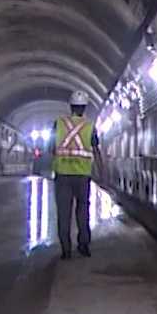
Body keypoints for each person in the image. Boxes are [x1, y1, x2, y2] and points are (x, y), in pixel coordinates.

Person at [53, 90, 101, 260]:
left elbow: (51, 148)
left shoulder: (58, 124)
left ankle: (66, 250)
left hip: (62, 176)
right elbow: (96, 149)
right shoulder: (89, 127)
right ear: (84, 108)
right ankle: (84, 245)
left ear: (71, 106)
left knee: (63, 213)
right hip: (82, 176)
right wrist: (102, 172)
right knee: (83, 211)